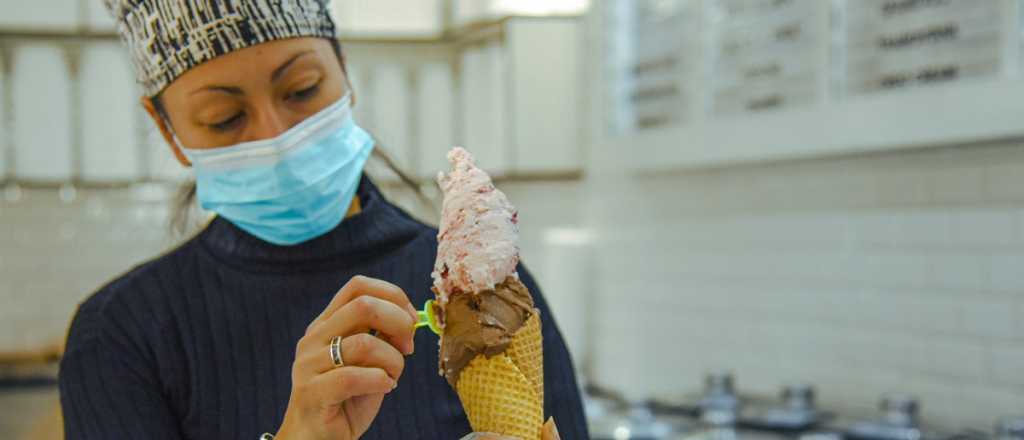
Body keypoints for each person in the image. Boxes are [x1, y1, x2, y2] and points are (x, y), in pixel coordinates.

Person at [57, 1, 588, 439]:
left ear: (344, 71)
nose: (276, 136)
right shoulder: (120, 337)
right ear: (166, 128)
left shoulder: (486, 297)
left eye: (302, 89)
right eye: (225, 118)